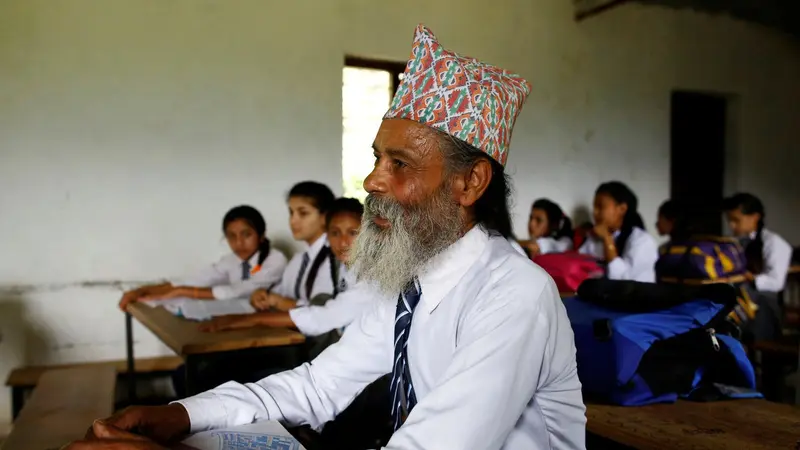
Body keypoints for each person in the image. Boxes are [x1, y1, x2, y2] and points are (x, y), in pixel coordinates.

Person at [66, 24, 585, 450]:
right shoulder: (411, 283)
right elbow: (317, 385)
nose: (373, 182)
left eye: (399, 164)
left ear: (469, 183)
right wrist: (180, 414)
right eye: (376, 159)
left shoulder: (514, 294)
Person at [199, 198, 369, 339]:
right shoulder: (333, 265)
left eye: (353, 233)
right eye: (335, 233)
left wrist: (255, 319)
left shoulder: (366, 272)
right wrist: (267, 298)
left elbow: (325, 314)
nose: (343, 242)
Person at [118, 205, 286, 310]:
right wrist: (140, 291)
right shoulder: (230, 260)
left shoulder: (275, 260)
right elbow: (194, 280)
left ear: (262, 235)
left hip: (275, 323)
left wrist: (180, 291)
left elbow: (236, 291)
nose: (239, 242)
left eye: (246, 235)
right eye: (231, 236)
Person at [249, 181, 337, 312]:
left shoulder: (335, 259)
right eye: (291, 213)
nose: (293, 220)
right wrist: (261, 294)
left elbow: (324, 310)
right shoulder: (299, 260)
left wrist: (280, 302)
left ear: (325, 217)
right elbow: (281, 291)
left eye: (303, 213)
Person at [723, 193, 791, 343]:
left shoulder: (774, 243)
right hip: (740, 299)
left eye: (736, 220)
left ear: (755, 217)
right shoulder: (733, 242)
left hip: (763, 306)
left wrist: (751, 277)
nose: (731, 226)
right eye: (729, 220)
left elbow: (776, 282)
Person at [579, 181, 658, 282]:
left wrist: (607, 239)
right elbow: (581, 266)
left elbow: (624, 281)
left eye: (600, 207)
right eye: (594, 207)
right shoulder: (594, 238)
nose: (595, 213)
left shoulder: (642, 241)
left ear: (622, 209)